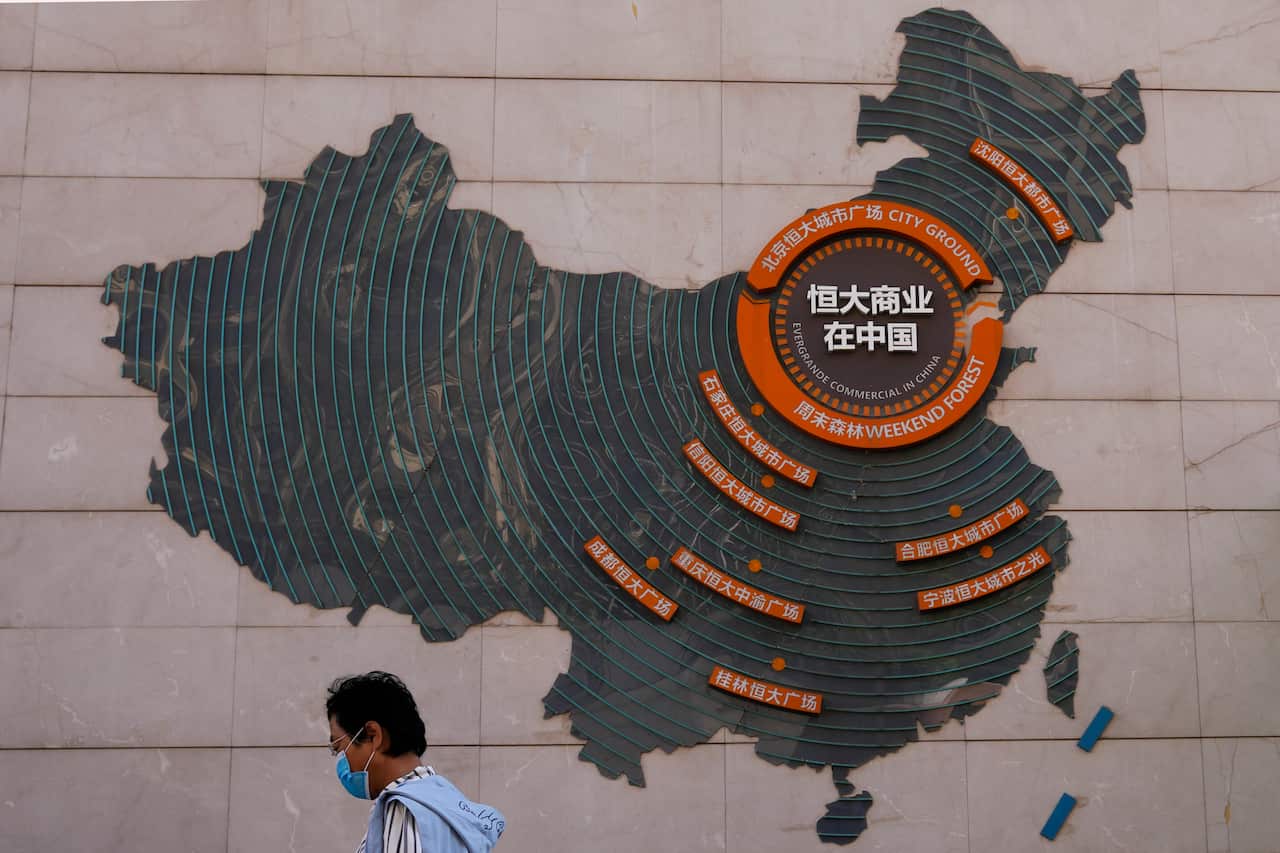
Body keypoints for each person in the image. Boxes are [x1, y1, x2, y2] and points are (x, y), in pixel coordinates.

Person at [326, 671, 505, 853]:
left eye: (338, 747)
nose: (340, 759)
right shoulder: (447, 801)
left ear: (373, 735)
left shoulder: (404, 809)